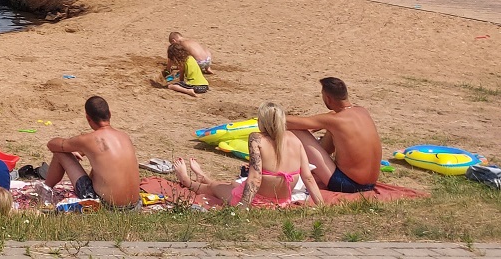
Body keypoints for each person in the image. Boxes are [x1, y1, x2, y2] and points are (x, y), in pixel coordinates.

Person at [174, 102, 324, 208]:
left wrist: (243, 207)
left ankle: (187, 180)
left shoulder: (256, 138)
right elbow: (308, 177)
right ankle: (203, 177)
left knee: (214, 187)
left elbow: (255, 178)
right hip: (282, 201)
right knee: (233, 184)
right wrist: (321, 205)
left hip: (258, 202)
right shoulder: (294, 139)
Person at [286, 77, 382, 193]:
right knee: (331, 130)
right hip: (371, 183)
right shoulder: (362, 111)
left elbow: (289, 122)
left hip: (347, 185)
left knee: (299, 130)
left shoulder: (334, 120)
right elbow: (328, 145)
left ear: (327, 98)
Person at [43, 95, 141, 208]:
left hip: (105, 206)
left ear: (88, 118)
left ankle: (46, 190)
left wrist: (71, 150)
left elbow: (52, 145)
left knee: (60, 153)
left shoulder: (88, 139)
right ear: (109, 114)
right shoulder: (124, 136)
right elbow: (101, 152)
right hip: (135, 205)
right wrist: (80, 150)